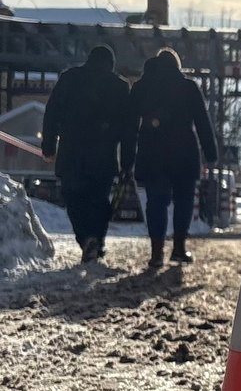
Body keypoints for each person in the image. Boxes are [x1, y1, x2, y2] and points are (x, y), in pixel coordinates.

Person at [41, 45, 134, 264]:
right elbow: (128, 129)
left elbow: (51, 113)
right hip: (103, 154)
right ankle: (96, 239)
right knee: (99, 199)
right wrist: (127, 161)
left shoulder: (69, 78)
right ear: (111, 64)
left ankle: (85, 238)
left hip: (71, 151)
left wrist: (48, 146)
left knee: (74, 198)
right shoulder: (120, 87)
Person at [129, 48, 218, 267]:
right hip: (183, 152)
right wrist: (210, 153)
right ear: (177, 66)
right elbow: (202, 122)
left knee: (156, 202)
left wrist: (128, 155)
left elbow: (129, 124)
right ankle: (179, 248)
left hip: (152, 153)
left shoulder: (142, 87)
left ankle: (156, 252)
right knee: (183, 201)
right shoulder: (188, 87)